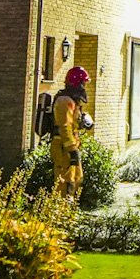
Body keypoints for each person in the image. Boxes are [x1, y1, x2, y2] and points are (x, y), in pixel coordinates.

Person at [50, 67, 93, 200]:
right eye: (84, 83)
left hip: (70, 146)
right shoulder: (65, 101)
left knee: (76, 178)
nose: (85, 86)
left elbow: (72, 124)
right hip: (63, 147)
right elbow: (64, 128)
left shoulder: (73, 101)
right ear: (78, 83)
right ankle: (60, 212)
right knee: (65, 182)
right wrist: (72, 149)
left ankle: (69, 210)